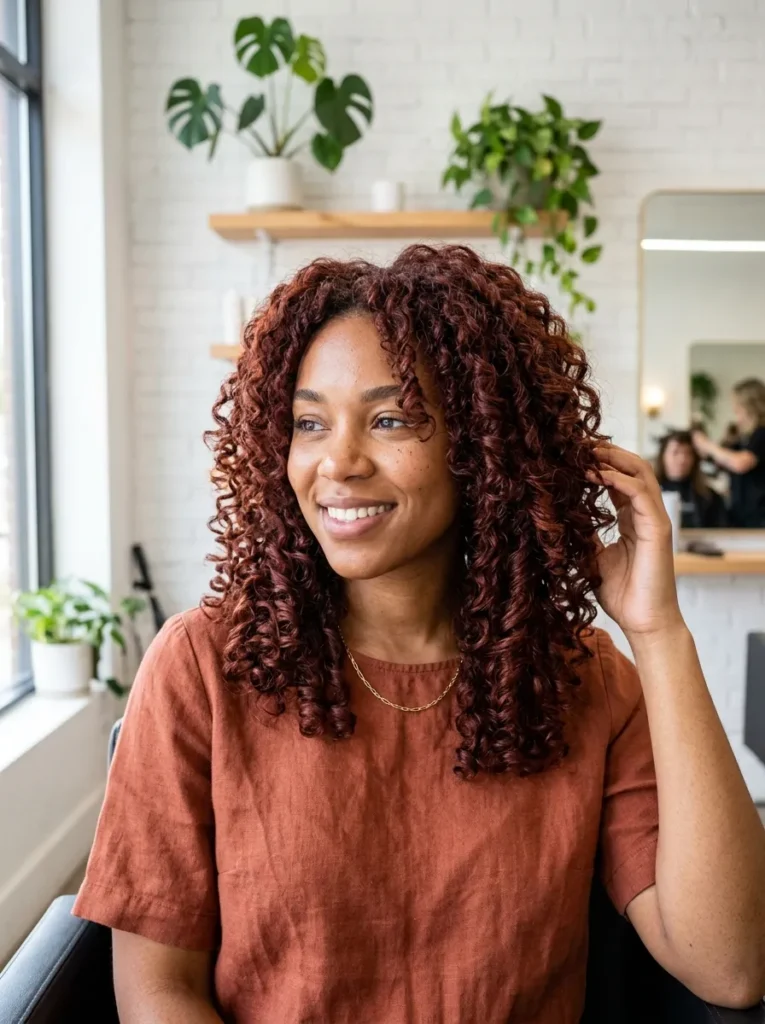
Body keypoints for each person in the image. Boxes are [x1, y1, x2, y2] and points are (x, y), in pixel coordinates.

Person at [72, 246, 765, 1023]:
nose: (337, 461)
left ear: (481, 448)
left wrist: (658, 632)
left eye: (389, 418)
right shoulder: (203, 663)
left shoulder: (586, 682)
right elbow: (156, 993)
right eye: (308, 422)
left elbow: (730, 966)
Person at [692, 378, 765, 528]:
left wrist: (708, 445)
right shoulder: (745, 438)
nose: (735, 412)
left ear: (750, 407)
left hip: (759, 516)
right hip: (742, 514)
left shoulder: (762, 433)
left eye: (738, 408)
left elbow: (741, 463)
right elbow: (723, 463)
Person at [654, 429, 726, 528]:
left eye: (688, 453)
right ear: (663, 456)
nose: (682, 459)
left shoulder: (709, 497)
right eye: (675, 452)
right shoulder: (649, 493)